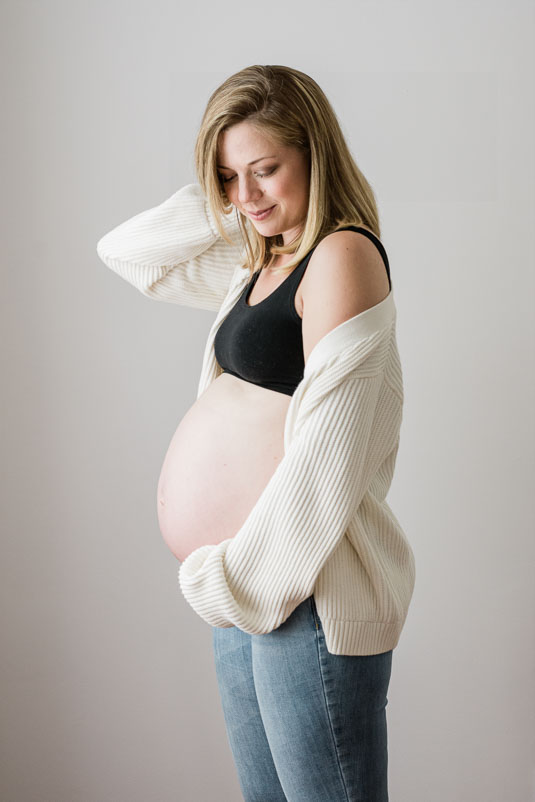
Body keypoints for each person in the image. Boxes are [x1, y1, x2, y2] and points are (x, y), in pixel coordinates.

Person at [96, 64, 416, 802]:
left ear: (315, 153)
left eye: (265, 169)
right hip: (246, 595)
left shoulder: (340, 257)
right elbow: (129, 252)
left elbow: (327, 462)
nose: (247, 196)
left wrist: (238, 580)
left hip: (298, 595)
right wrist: (230, 199)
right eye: (225, 176)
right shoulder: (260, 261)